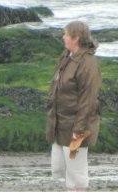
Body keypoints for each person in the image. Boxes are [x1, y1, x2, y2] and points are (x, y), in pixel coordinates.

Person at [45, 21, 102, 190]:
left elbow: (88, 100)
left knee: (76, 176)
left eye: (66, 34)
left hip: (77, 127)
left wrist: (78, 130)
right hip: (60, 124)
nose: (63, 37)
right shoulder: (66, 56)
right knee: (60, 169)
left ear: (76, 38)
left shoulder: (88, 63)